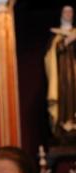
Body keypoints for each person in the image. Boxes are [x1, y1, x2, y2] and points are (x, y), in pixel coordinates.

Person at [45, 5, 76, 136]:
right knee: (65, 95)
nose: (68, 14)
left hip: (75, 71)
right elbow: (50, 55)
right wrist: (66, 41)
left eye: (70, 11)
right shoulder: (56, 35)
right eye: (65, 11)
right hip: (62, 74)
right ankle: (62, 123)